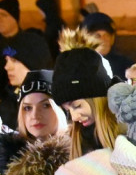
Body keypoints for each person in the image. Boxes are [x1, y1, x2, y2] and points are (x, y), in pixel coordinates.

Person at [52, 28, 122, 158]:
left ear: (97, 97)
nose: (74, 117)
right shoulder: (79, 138)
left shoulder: (130, 132)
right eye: (68, 110)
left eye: (77, 106)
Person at [0, 32, 53, 129]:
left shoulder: (55, 101)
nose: (7, 67)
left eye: (14, 60)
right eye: (6, 60)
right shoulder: (9, 102)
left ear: (34, 63)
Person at [81, 12, 133, 79]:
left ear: (112, 39)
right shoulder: (78, 67)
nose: (103, 39)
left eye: (107, 35)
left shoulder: (126, 66)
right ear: (86, 39)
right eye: (97, 36)